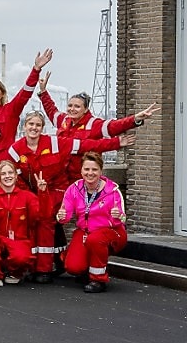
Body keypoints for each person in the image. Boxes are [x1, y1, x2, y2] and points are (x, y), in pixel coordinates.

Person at [9, 111, 130, 283]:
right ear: (24, 126)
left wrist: (116, 143)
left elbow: (85, 145)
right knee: (31, 218)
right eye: (31, 124)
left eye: (38, 125)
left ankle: (45, 269)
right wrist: (29, 197)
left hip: (57, 191)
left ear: (42, 128)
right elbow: (16, 176)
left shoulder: (55, 143)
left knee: (46, 219)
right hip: (34, 193)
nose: (34, 128)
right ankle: (40, 264)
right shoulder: (16, 150)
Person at [38, 71, 158, 180]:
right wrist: (43, 92)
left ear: (85, 110)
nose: (72, 109)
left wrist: (135, 119)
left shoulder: (93, 124)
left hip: (84, 178)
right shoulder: (64, 120)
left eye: (77, 106)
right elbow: (51, 110)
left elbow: (113, 126)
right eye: (70, 106)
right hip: (62, 178)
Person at [0, 48, 50, 178]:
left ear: (2, 94)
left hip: (2, 170)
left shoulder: (9, 111)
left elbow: (25, 93)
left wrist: (36, 70)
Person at [57, 153, 127, 293]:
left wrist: (118, 216)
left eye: (94, 170)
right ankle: (85, 268)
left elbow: (121, 220)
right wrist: (61, 216)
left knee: (95, 240)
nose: (90, 173)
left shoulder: (113, 191)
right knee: (73, 267)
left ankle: (98, 279)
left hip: (111, 232)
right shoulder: (74, 189)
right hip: (85, 232)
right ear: (81, 170)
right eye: (86, 169)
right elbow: (65, 217)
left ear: (101, 171)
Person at [0, 161, 39, 287]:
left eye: (10, 173)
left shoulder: (27, 196)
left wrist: (43, 193)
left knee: (22, 258)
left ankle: (14, 273)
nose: (7, 176)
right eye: (3, 174)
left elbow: (37, 218)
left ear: (15, 175)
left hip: (19, 239)